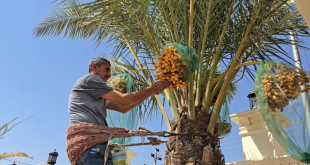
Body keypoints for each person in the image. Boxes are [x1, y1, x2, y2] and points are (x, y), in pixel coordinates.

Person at [67, 57, 169, 165]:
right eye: (107, 69)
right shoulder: (91, 80)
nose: (109, 75)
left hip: (87, 148)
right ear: (94, 67)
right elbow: (123, 100)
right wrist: (151, 89)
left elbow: (123, 108)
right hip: (91, 147)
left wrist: (149, 93)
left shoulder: (95, 94)